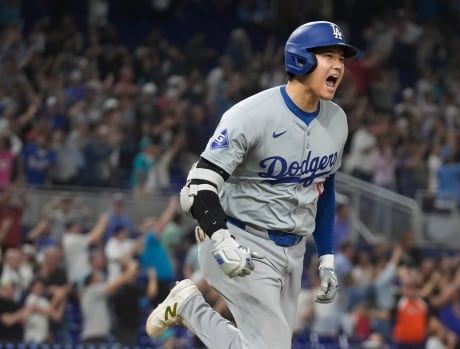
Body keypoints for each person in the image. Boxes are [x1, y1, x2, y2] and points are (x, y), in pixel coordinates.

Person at [146, 20, 357, 349]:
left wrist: (327, 256)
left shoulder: (337, 120)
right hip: (242, 239)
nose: (339, 66)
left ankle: (187, 304)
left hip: (294, 250)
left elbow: (324, 190)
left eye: (342, 59)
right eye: (329, 55)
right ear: (300, 59)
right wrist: (220, 236)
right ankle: (189, 307)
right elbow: (198, 185)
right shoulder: (250, 115)